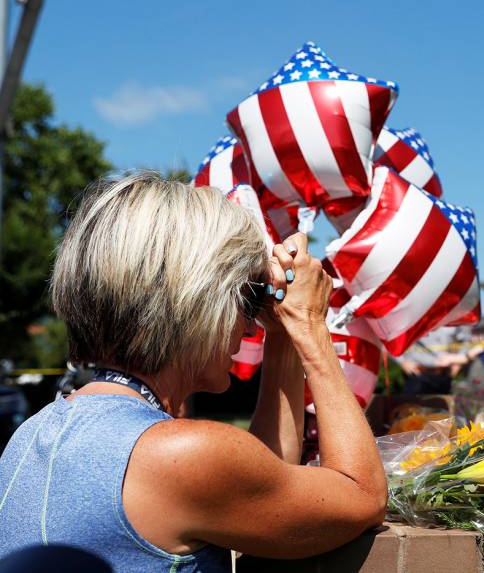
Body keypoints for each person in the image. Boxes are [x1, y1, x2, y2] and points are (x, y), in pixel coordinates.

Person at [0, 173, 386, 571]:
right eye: (246, 299)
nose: (249, 327)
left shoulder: (31, 435)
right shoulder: (181, 455)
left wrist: (282, 334)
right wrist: (310, 324)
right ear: (198, 300)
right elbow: (362, 495)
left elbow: (263, 488)